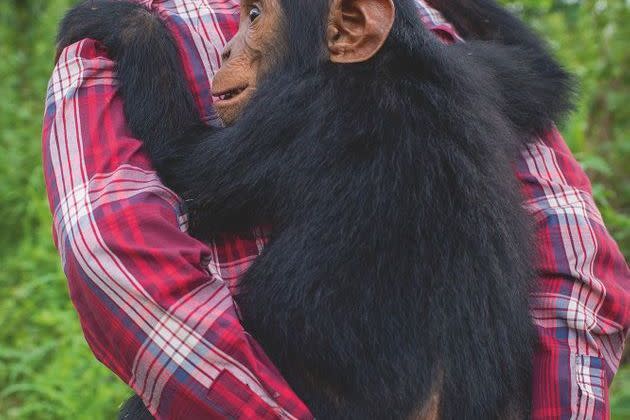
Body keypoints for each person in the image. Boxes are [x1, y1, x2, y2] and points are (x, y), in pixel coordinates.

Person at [42, 0, 629, 418]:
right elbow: (545, 77)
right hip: (480, 394)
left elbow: (198, 188)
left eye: (253, 17)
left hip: (343, 393)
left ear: (350, 30)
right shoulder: (467, 76)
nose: (231, 42)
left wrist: (139, 36)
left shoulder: (313, 94)